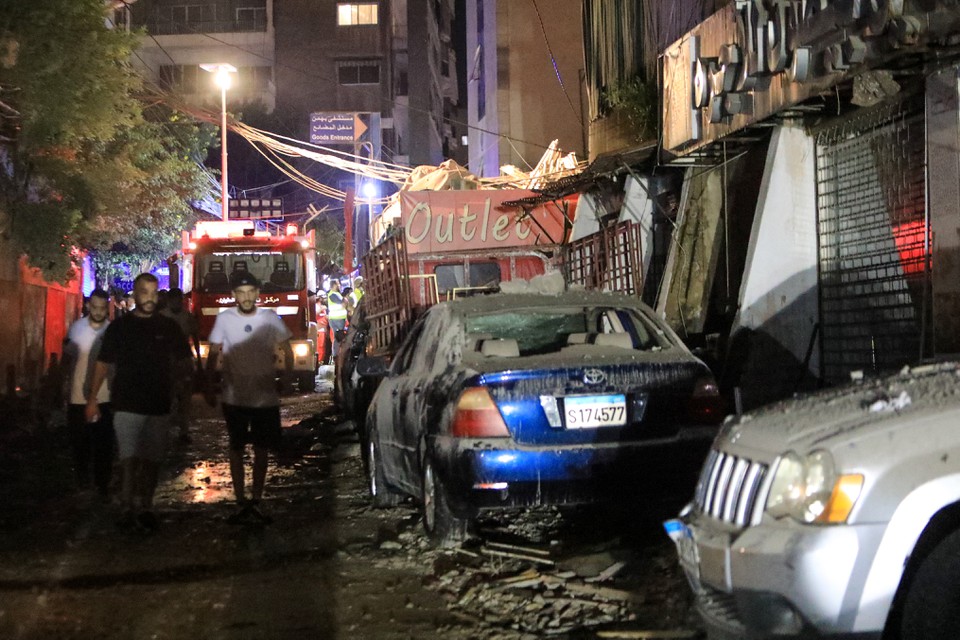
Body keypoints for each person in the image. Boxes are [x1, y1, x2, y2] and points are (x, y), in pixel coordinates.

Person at [85, 273, 192, 533]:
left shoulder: (168, 327)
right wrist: (92, 399)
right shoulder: (120, 328)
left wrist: (180, 392)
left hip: (159, 404)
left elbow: (182, 361)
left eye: (154, 293)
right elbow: (103, 362)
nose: (150, 298)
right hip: (126, 403)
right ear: (135, 294)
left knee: (152, 460)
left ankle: (145, 505)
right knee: (129, 459)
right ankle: (126, 507)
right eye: (145, 292)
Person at [204, 271, 293, 525]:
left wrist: (286, 379)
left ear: (257, 294)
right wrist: (210, 385)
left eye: (250, 292)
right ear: (234, 295)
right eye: (240, 293)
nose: (245, 297)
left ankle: (256, 500)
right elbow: (213, 353)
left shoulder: (269, 317)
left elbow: (286, 347)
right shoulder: (224, 319)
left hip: (264, 398)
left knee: (261, 450)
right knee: (236, 447)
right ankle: (240, 501)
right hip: (234, 397)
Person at [62, 289, 114, 501]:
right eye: (95, 307)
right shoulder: (77, 329)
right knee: (80, 444)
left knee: (104, 446)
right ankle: (83, 483)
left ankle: (102, 487)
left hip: (105, 398)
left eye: (103, 308)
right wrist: (62, 388)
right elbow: (67, 360)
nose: (99, 311)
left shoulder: (112, 333)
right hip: (77, 398)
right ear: (88, 306)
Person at [161, 288, 202, 444]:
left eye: (179, 300)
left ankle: (183, 431)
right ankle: (165, 431)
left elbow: (195, 338)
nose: (177, 303)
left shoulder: (187, 317)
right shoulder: (163, 316)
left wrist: (198, 360)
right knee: (169, 396)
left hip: (183, 360)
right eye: (174, 300)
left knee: (185, 398)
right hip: (167, 361)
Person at [326, 279, 348, 363]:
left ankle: (337, 355)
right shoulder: (333, 294)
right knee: (338, 337)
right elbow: (344, 303)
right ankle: (336, 356)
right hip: (337, 319)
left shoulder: (335, 294)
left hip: (337, 319)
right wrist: (345, 300)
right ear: (334, 285)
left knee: (338, 338)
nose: (339, 285)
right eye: (338, 283)